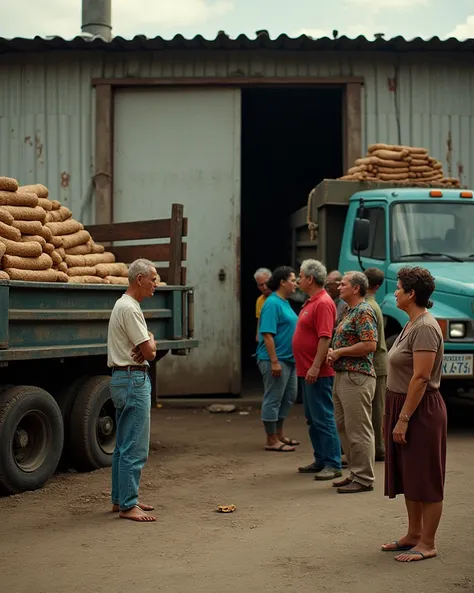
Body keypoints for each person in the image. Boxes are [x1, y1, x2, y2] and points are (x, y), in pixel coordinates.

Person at [381, 266, 446, 563]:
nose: (394, 292)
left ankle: (428, 543)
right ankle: (413, 534)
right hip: (404, 405)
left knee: (426, 476)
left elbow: (420, 378)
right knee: (410, 473)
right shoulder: (411, 323)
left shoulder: (424, 328)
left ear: (411, 294)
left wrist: (404, 418)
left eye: (398, 288)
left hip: (419, 409)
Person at [107, 258, 158, 523]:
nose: (155, 285)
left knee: (122, 445)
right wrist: (151, 339)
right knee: (135, 447)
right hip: (133, 379)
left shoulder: (123, 305)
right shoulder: (130, 308)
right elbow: (149, 350)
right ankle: (128, 504)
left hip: (121, 378)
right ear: (140, 279)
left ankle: (122, 499)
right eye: (153, 279)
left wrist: (148, 340)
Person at [327, 271, 378, 494]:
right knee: (344, 427)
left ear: (356, 288)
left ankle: (365, 478)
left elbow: (370, 345)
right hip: (343, 375)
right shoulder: (350, 310)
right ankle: (355, 473)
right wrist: (335, 353)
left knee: (359, 429)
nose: (339, 287)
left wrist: (340, 352)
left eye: (344, 284)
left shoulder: (364, 311)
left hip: (357, 377)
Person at [293, 259, 342, 480]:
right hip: (308, 371)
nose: (297, 280)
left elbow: (325, 337)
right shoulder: (312, 301)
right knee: (313, 418)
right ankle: (321, 458)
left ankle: (333, 463)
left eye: (300, 276)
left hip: (317, 373)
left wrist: (315, 366)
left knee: (323, 416)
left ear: (310, 279)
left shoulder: (322, 303)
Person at [256, 266, 299, 452]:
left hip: (288, 359)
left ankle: (279, 433)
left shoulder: (285, 302)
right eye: (293, 280)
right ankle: (271, 439)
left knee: (289, 397)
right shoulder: (272, 303)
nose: (295, 283)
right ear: (282, 282)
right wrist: (274, 361)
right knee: (273, 398)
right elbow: (266, 334)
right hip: (275, 359)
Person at [364, 267, 388, 461]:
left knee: (377, 410)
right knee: (376, 408)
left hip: (376, 364)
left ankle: (379, 449)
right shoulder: (372, 304)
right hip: (377, 363)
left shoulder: (369, 307)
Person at [254, 267, 272, 342]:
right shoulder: (259, 300)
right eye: (261, 285)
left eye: (267, 283)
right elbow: (259, 318)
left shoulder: (281, 297)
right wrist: (258, 334)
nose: (265, 287)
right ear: (257, 286)